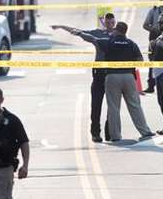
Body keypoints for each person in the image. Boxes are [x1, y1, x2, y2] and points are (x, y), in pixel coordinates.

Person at [52, 12, 116, 142]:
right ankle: (95, 133)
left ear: (115, 22)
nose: (110, 25)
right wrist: (61, 26)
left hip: (112, 74)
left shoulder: (118, 34)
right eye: (108, 22)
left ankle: (110, 132)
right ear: (105, 22)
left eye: (112, 22)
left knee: (113, 106)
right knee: (96, 105)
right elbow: (77, 32)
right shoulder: (98, 34)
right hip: (99, 74)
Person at [101, 22, 156, 141]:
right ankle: (145, 131)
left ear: (116, 30)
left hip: (112, 76)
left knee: (113, 107)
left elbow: (94, 40)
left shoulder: (109, 42)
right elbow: (140, 61)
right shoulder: (131, 43)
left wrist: (79, 33)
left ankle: (115, 136)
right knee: (135, 105)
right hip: (128, 77)